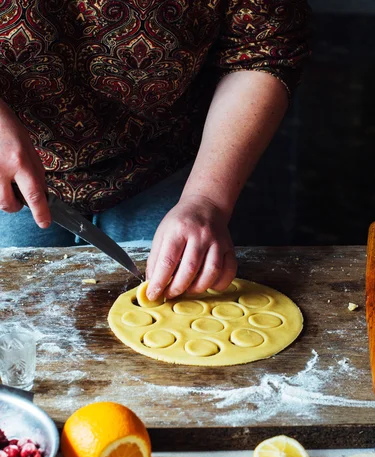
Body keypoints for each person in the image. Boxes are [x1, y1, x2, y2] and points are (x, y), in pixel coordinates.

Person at [0, 0, 310, 301]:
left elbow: (262, 48)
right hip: (12, 173)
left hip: (166, 161)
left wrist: (206, 200)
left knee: (181, 294)